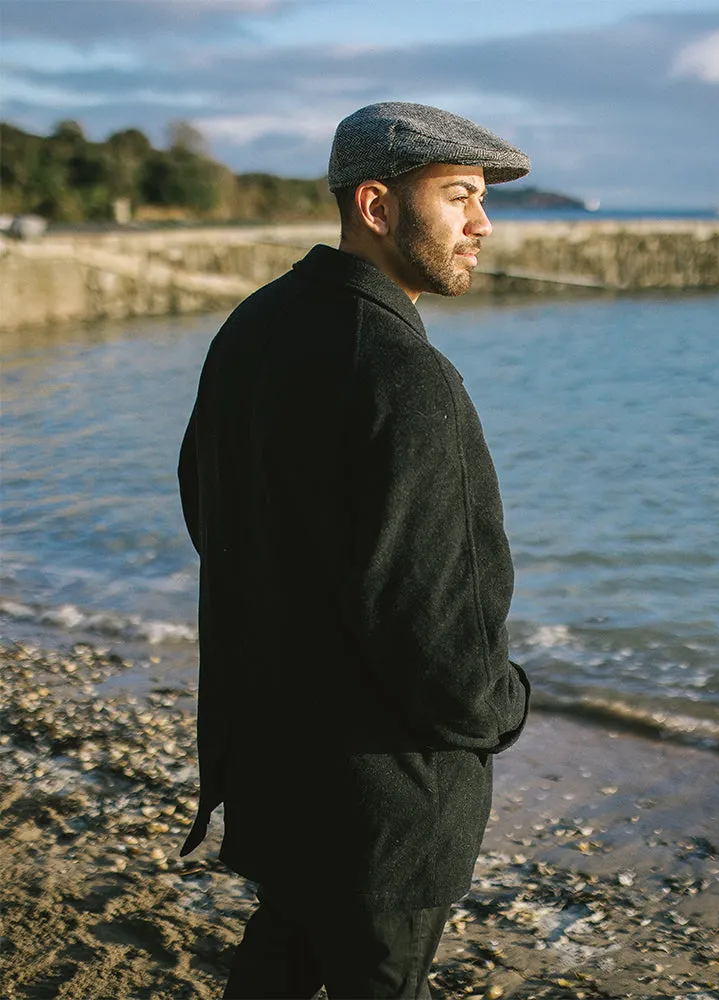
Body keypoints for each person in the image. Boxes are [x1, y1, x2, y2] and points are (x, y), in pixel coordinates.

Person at [176, 102, 532, 999]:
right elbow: (439, 623)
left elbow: (208, 514)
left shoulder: (255, 327)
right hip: (383, 796)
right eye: (458, 196)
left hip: (275, 760)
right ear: (377, 207)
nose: (482, 224)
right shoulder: (407, 378)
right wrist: (501, 707)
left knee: (282, 956)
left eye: (481, 198)